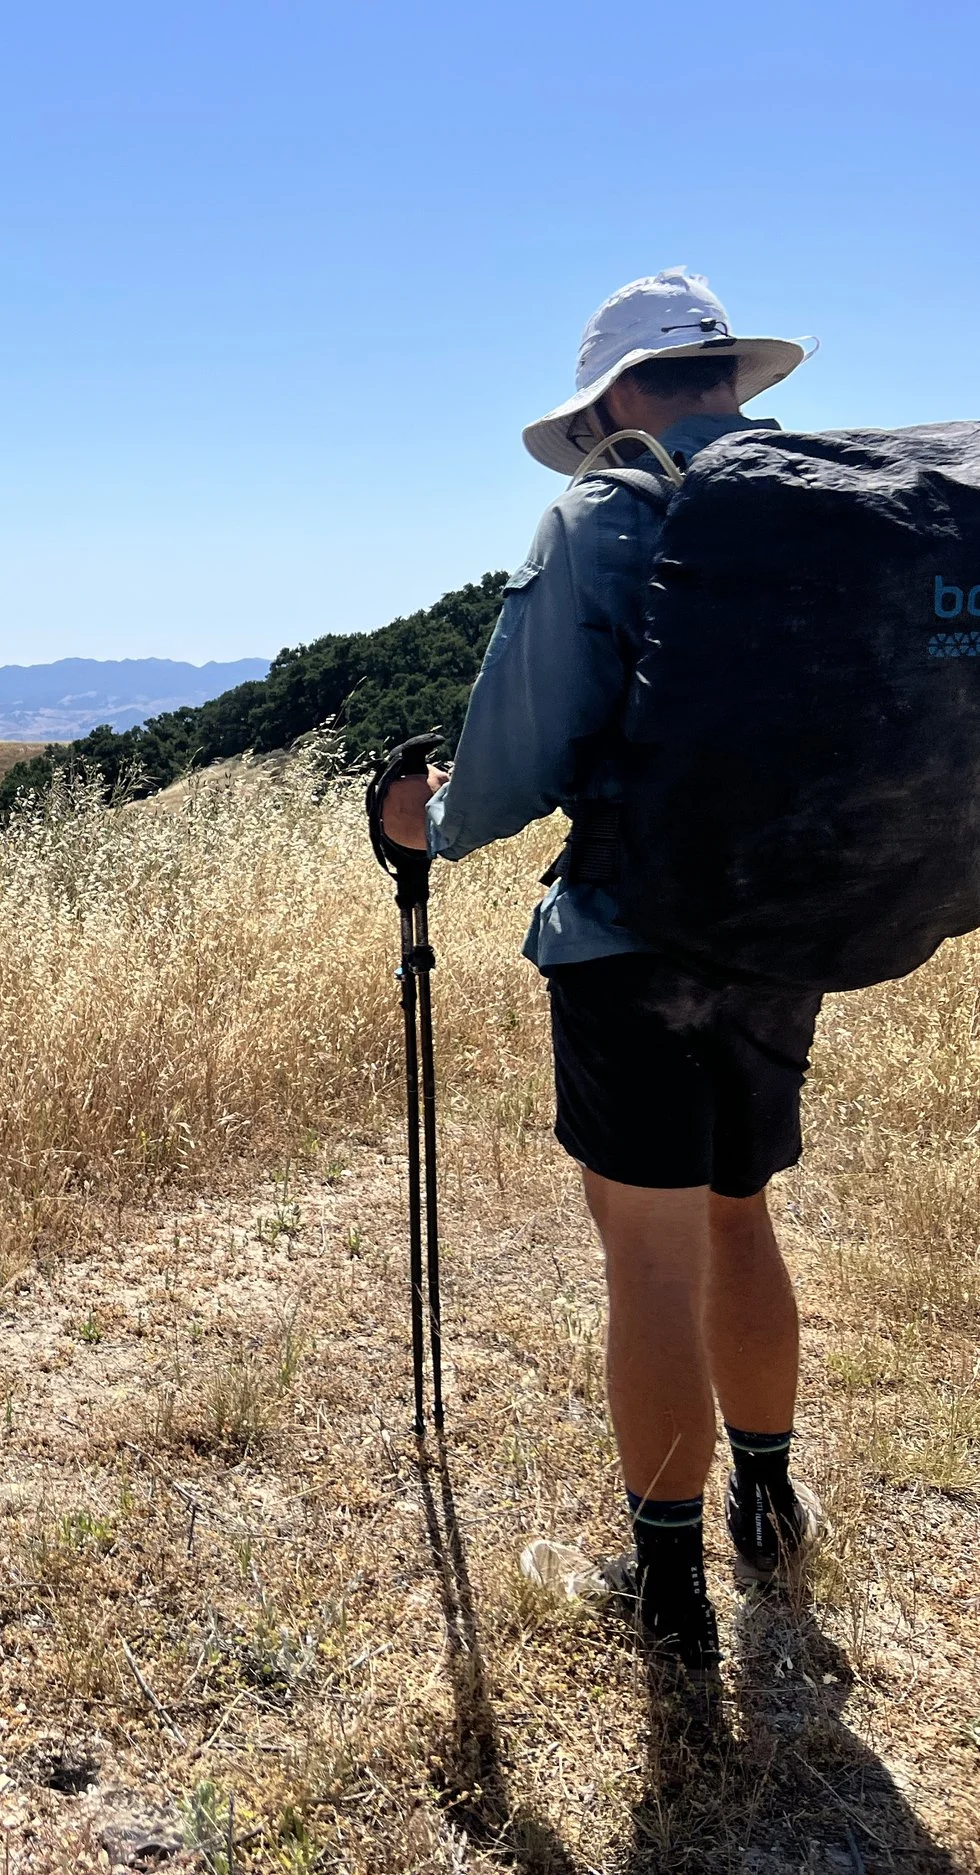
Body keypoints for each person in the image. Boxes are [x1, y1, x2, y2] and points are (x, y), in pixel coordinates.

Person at [379, 268, 827, 1678]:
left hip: (633, 939)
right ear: (728, 380)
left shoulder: (611, 512)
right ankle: (768, 1494)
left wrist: (420, 817)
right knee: (742, 1217)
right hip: (780, 932)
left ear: (625, 394)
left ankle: (667, 1585)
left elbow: (502, 775)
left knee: (650, 1252)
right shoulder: (823, 509)